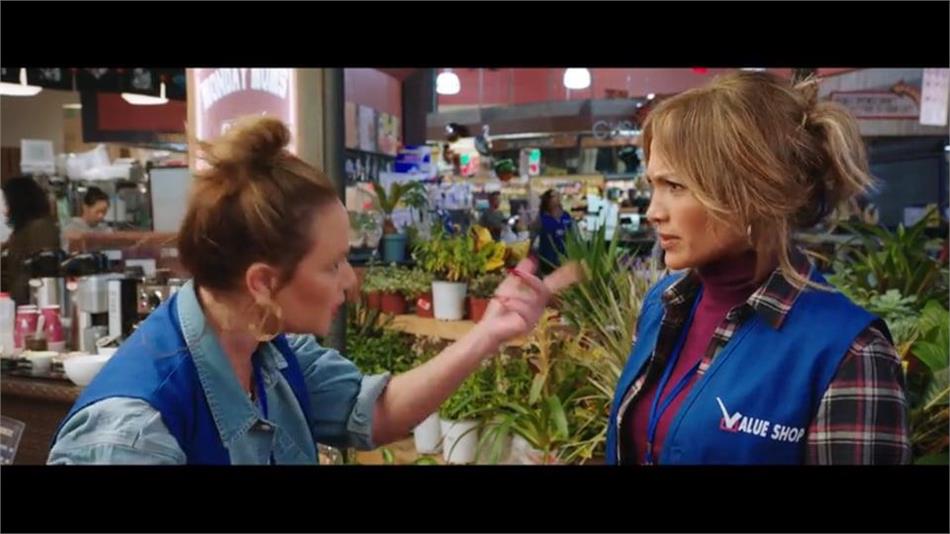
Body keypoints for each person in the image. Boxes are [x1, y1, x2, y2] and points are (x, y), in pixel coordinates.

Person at [47, 116, 578, 465]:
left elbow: (377, 413)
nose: (350, 280)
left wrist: (488, 334)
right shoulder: (131, 435)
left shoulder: (267, 351)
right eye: (332, 264)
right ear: (263, 282)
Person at [606, 71, 911, 465]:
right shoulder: (661, 307)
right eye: (653, 185)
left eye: (675, 187)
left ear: (751, 192)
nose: (653, 212)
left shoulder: (848, 352)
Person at [0, 176, 61, 306]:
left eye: (7, 203)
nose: (5, 210)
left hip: (35, 301)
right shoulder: (23, 230)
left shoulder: (40, 228)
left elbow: (40, 267)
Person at [533, 189, 573, 275]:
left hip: (565, 258)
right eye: (554, 195)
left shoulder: (566, 216)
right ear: (548, 200)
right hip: (547, 259)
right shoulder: (542, 217)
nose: (558, 196)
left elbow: (573, 234)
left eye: (558, 194)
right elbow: (533, 235)